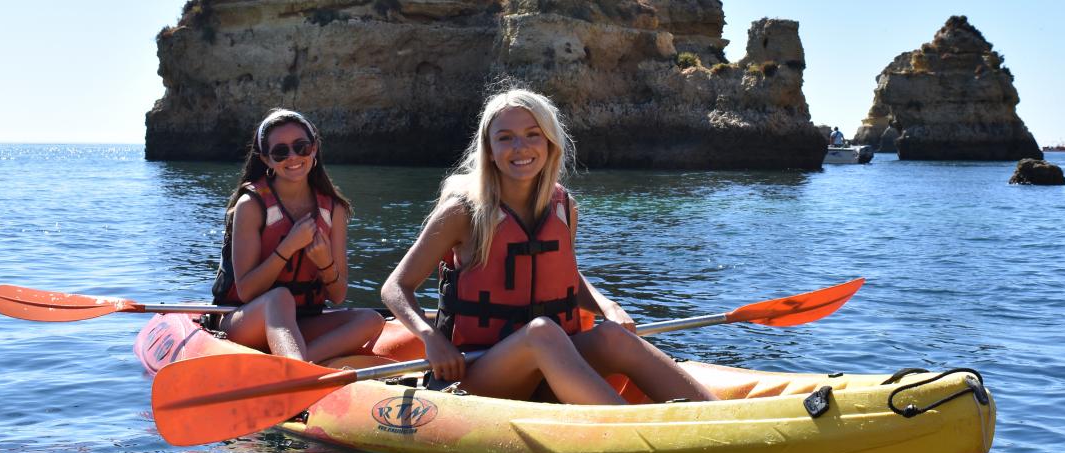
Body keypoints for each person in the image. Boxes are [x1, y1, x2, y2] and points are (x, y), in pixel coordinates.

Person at [380, 88, 717, 405]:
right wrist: (431, 338)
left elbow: (566, 276)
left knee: (613, 336)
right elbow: (396, 287)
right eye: (505, 138)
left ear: (550, 143)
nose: (520, 147)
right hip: (476, 373)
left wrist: (606, 306)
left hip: (551, 366)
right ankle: (635, 430)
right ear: (490, 150)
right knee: (542, 332)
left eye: (532, 134)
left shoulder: (563, 207)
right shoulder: (463, 212)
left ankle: (717, 417)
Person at [209, 109, 384, 362]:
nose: (293, 157)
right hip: (246, 320)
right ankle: (297, 368)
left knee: (371, 319)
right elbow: (247, 291)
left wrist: (325, 263)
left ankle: (299, 366)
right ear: (267, 160)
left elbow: (337, 295)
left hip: (302, 322)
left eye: (301, 147)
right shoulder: (251, 204)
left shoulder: (333, 209)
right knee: (279, 298)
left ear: (313, 149)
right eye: (280, 152)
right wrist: (288, 247)